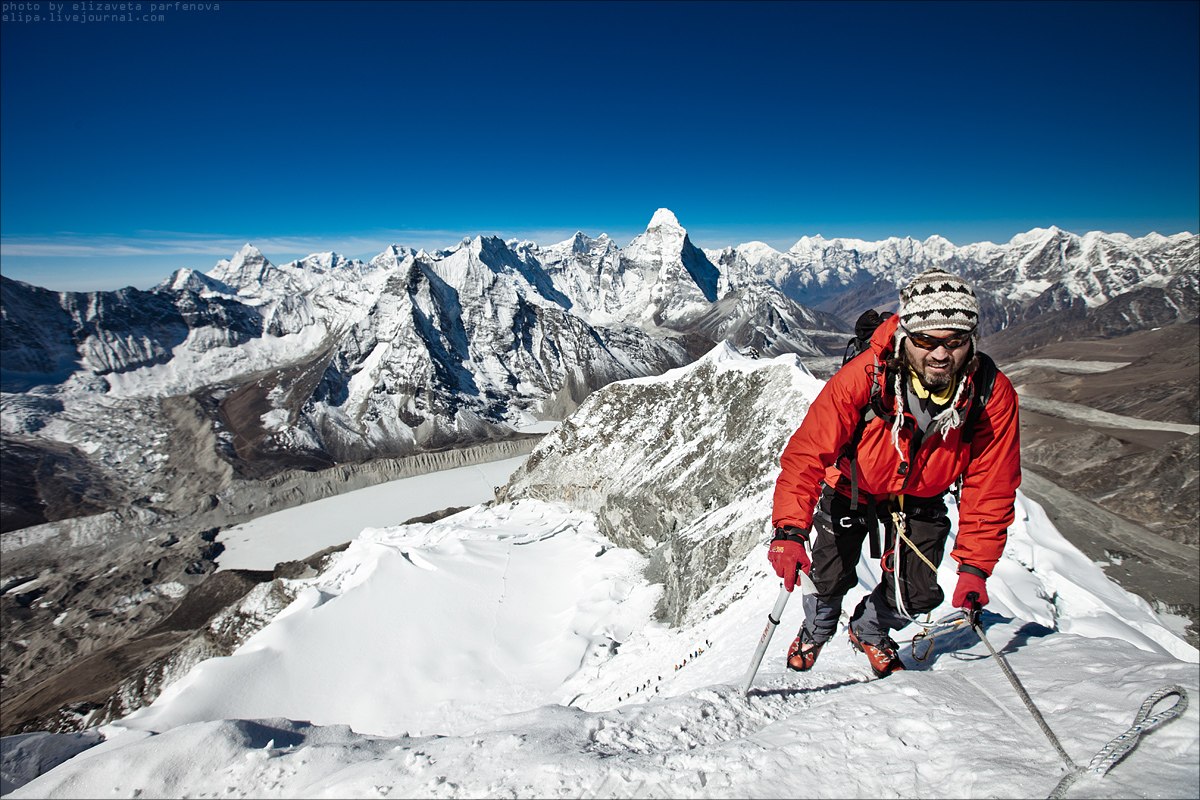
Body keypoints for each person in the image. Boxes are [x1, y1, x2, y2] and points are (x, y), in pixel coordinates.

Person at [768, 268, 1021, 677]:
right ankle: (817, 629)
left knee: (918, 597)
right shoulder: (865, 376)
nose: (941, 354)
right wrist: (789, 532)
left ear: (971, 341)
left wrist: (975, 567)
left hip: (922, 493)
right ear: (906, 337)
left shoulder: (990, 393)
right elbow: (807, 454)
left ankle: (870, 628)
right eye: (926, 341)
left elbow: (993, 482)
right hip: (852, 485)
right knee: (827, 578)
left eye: (955, 341)